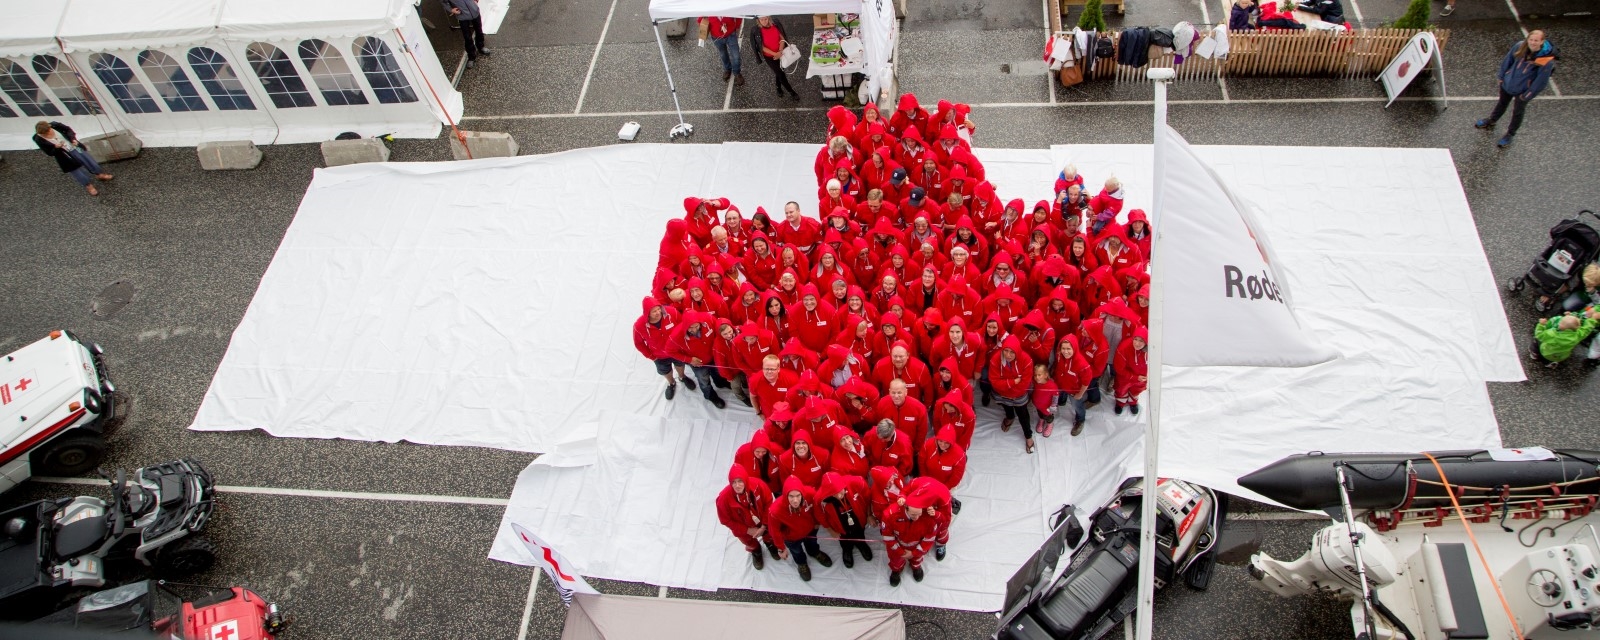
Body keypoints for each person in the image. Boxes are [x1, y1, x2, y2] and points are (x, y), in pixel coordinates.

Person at [1476, 30, 1558, 147]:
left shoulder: (1545, 61)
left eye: (1536, 41)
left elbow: (1541, 82)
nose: (1533, 43)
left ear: (1542, 42)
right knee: (1502, 103)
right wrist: (1502, 76)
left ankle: (1510, 134)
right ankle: (1492, 120)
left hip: (1523, 91)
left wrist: (1527, 95)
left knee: (1518, 112)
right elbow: (1507, 61)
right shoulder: (1519, 47)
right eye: (1531, 40)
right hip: (1508, 83)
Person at [768, 477, 834, 581]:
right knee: (797, 551)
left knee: (813, 543)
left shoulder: (810, 493)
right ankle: (801, 563)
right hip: (792, 537)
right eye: (791, 496)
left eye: (798, 496)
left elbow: (817, 508)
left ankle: (814, 552)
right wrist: (781, 548)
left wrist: (817, 522)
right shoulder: (775, 510)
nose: (795, 500)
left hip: (810, 530)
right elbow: (774, 531)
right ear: (785, 495)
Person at [717, 466, 779, 570]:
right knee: (748, 542)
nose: (737, 485)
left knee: (769, 534)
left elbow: (769, 503)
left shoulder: (758, 485)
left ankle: (769, 544)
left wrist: (764, 525)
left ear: (745, 479)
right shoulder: (723, 498)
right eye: (734, 482)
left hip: (763, 522)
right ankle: (756, 551)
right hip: (742, 528)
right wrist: (747, 530)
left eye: (740, 481)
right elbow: (725, 520)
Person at [665, 311, 728, 409]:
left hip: (714, 356)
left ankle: (720, 383)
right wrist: (689, 360)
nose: (694, 330)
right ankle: (710, 396)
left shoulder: (708, 318)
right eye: (690, 327)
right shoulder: (676, 336)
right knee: (704, 381)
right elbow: (669, 350)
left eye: (696, 326)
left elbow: (718, 328)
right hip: (698, 364)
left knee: (717, 371)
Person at [33, 121, 113, 196]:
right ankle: (88, 186)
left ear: (50, 127)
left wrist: (72, 139)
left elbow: (68, 130)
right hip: (63, 155)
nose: (48, 134)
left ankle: (99, 174)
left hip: (74, 147)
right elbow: (49, 152)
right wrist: (56, 148)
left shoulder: (55, 125)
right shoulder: (38, 139)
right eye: (45, 134)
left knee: (90, 161)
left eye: (49, 131)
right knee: (77, 172)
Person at [633, 297, 691, 400]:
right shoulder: (639, 325)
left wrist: (683, 344)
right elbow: (639, 344)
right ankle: (671, 383)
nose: (658, 312)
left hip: (676, 351)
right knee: (665, 371)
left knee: (680, 364)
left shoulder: (672, 312)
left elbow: (683, 325)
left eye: (658, 309)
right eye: (654, 311)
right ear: (647, 313)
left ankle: (682, 377)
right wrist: (651, 356)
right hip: (659, 356)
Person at [816, 472, 875, 569]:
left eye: (840, 491)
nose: (839, 496)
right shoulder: (819, 498)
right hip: (839, 525)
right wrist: (830, 530)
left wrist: (869, 514)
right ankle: (847, 549)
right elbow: (820, 516)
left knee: (860, 533)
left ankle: (861, 544)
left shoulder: (857, 482)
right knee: (844, 539)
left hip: (859, 520)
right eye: (834, 494)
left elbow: (868, 497)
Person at [879, 490, 938, 586]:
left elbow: (929, 538)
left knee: (917, 558)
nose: (917, 518)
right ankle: (896, 570)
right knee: (895, 560)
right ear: (905, 507)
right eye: (913, 514)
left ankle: (916, 567)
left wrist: (914, 553)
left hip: (917, 546)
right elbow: (888, 536)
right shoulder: (890, 515)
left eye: (919, 514)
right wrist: (900, 552)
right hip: (897, 546)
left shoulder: (929, 517)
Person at [990, 335, 1036, 453]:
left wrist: (1005, 385)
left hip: (1017, 394)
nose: (1008, 355)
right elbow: (994, 381)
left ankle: (1028, 436)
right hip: (1002, 393)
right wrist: (1013, 382)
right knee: (1007, 406)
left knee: (1023, 414)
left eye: (1012, 352)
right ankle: (1010, 417)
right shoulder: (995, 359)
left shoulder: (1026, 360)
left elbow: (1025, 383)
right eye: (1006, 350)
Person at [751, 16, 800, 99]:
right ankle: (792, 92)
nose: (764, 21)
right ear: (758, 20)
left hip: (780, 53)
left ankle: (778, 87)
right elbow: (761, 47)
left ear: (769, 18)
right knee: (781, 74)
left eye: (766, 19)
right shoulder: (756, 30)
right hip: (770, 57)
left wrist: (780, 52)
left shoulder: (775, 24)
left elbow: (782, 38)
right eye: (761, 20)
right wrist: (775, 54)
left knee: (780, 70)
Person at [1531, 309, 1600, 368]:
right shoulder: (1578, 335)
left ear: (1560, 325)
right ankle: (1550, 364)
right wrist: (1593, 319)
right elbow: (1587, 328)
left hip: (1546, 352)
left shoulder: (1553, 334)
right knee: (1551, 359)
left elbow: (1539, 335)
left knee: (1537, 341)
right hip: (1561, 356)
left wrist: (1541, 325)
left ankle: (1534, 354)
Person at [440, 0, 491, 68]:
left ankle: (481, 47)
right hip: (462, 17)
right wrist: (451, 9)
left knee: (479, 31)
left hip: (475, 12)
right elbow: (443, 2)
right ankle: (471, 56)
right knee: (467, 37)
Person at [1112, 327, 1149, 414]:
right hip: (1125, 377)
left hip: (1141, 378)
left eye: (1141, 341)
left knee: (1136, 390)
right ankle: (1120, 403)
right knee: (1121, 390)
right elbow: (1119, 368)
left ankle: (1133, 402)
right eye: (1135, 339)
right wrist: (1135, 377)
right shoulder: (1123, 349)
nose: (1137, 343)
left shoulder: (1151, 350)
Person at [700, 17, 744, 84]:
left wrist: (737, 26)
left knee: (736, 56)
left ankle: (737, 72)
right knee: (723, 54)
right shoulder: (707, 8)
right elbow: (700, 19)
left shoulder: (728, 7)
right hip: (716, 37)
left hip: (731, 34)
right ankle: (728, 69)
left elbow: (738, 15)